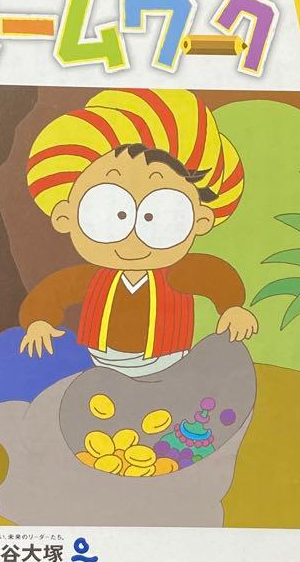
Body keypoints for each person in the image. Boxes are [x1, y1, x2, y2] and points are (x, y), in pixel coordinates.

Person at [19, 88, 258, 377]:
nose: (133, 236)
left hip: (169, 363)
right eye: (112, 212)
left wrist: (232, 308)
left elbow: (214, 276)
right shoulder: (94, 279)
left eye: (157, 214)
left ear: (201, 220)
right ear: (66, 216)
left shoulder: (179, 273)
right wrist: (39, 321)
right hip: (100, 363)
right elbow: (55, 291)